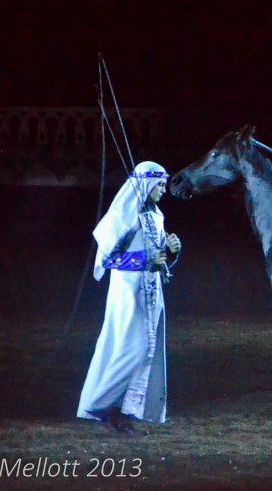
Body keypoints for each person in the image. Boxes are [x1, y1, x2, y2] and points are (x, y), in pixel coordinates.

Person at [77, 161, 181, 436]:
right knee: (131, 348)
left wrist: (170, 252)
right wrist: (145, 258)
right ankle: (99, 403)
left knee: (148, 350)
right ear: (145, 185)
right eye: (159, 184)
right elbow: (107, 257)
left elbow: (158, 258)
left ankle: (125, 411)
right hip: (128, 292)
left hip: (152, 291)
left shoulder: (156, 216)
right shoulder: (123, 216)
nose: (163, 190)